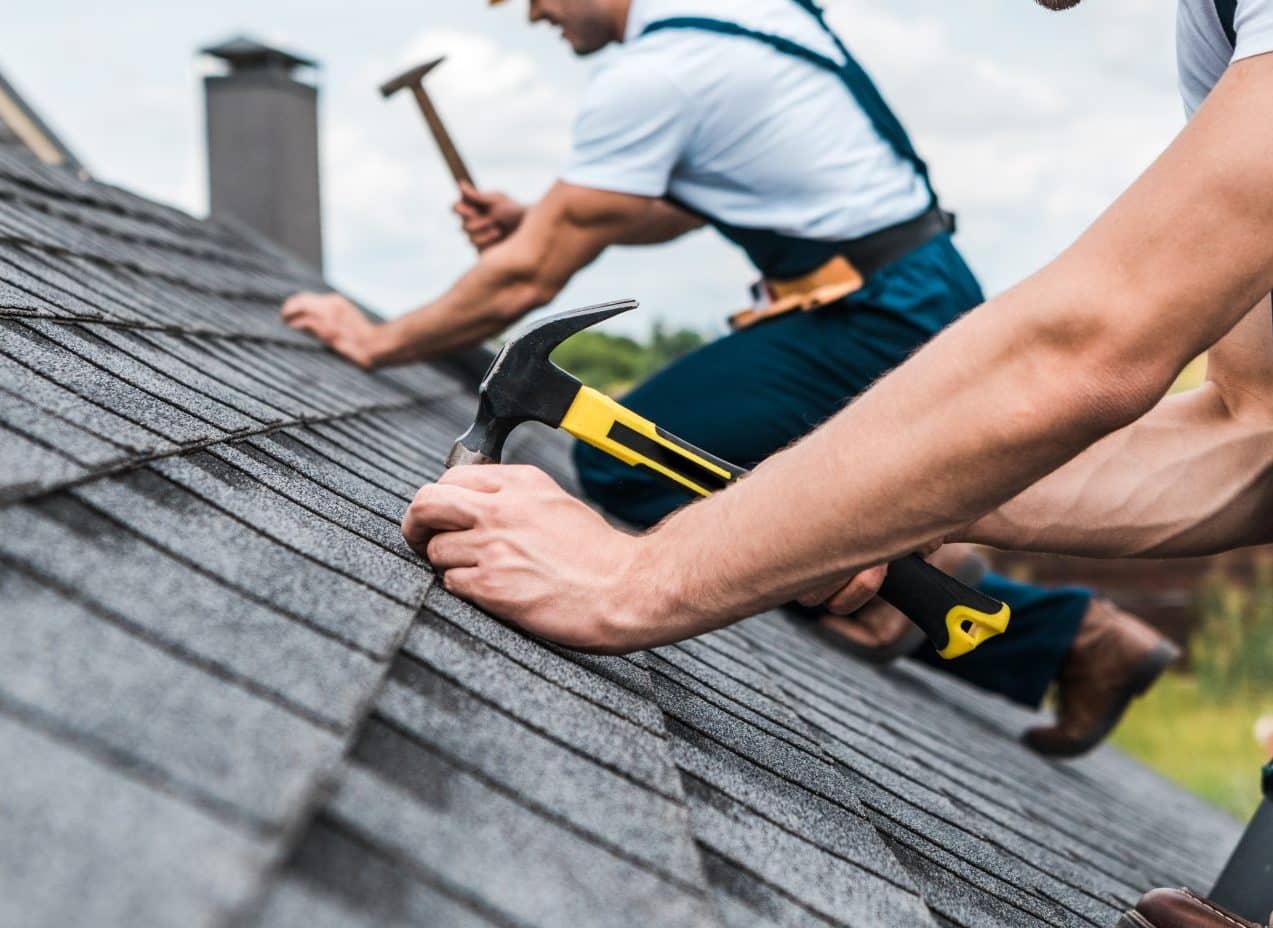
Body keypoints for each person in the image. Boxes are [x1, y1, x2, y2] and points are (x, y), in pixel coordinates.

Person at [401, 0, 1273, 924]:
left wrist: (638, 575)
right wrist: (879, 506)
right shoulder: (1221, 25)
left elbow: (1087, 346)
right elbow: (1249, 431)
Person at [282, 0, 1175, 759]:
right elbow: (669, 208)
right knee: (700, 470)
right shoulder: (745, 12)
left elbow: (524, 280)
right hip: (905, 289)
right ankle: (937, 584)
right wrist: (539, 214)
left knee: (630, 469)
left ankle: (1027, 620)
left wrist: (375, 339)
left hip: (871, 315)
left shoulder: (656, 73)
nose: (529, 12)